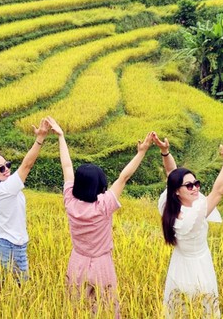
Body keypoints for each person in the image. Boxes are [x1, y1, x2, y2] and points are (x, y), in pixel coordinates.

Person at [53, 116, 153, 319]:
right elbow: (124, 176)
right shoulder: (103, 205)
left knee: (75, 310)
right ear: (100, 186)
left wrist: (61, 136)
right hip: (101, 263)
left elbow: (67, 167)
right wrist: (141, 151)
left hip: (77, 261)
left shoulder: (70, 201)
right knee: (106, 310)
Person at [154, 132, 223, 317]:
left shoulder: (168, 205)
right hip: (198, 267)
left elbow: (171, 174)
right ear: (177, 191)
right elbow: (219, 192)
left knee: (179, 311)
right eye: (189, 186)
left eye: (196, 183)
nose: (196, 188)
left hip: (179, 264)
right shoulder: (193, 215)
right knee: (204, 310)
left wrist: (165, 153)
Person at [0, 112, 48, 283]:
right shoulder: (6, 189)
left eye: (7, 165)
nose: (7, 169)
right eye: (1, 169)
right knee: (19, 290)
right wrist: (40, 139)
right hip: (10, 245)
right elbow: (27, 165)